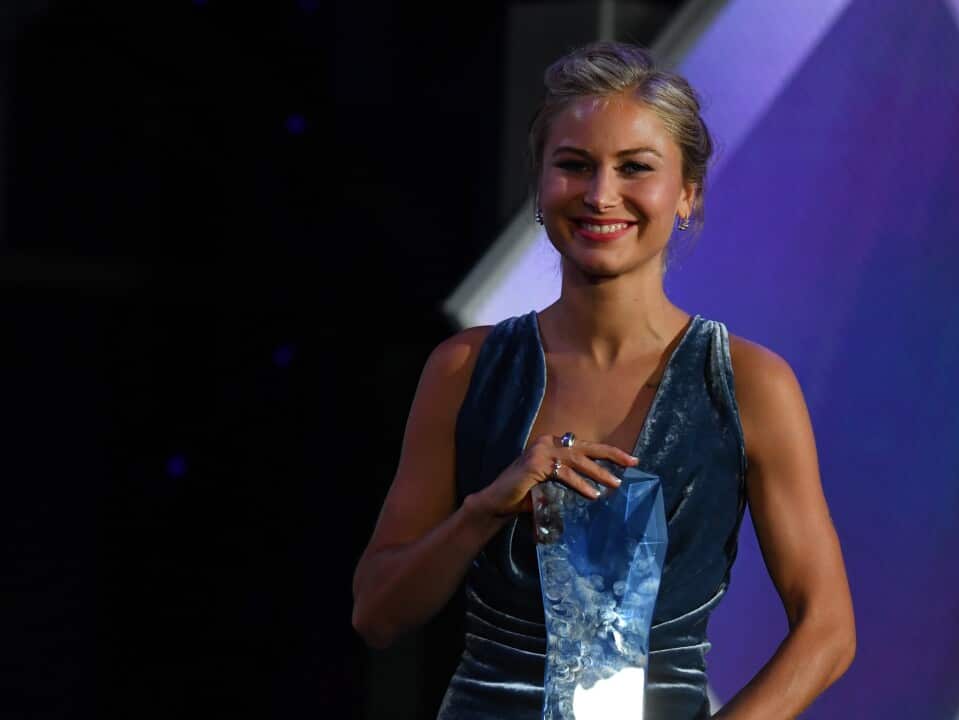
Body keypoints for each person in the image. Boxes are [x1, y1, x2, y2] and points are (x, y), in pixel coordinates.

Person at [351, 41, 855, 719]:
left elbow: (827, 630)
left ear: (688, 193)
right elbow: (377, 613)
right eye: (574, 166)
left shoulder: (747, 383)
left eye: (634, 168)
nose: (599, 194)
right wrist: (484, 509)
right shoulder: (465, 371)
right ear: (541, 184)